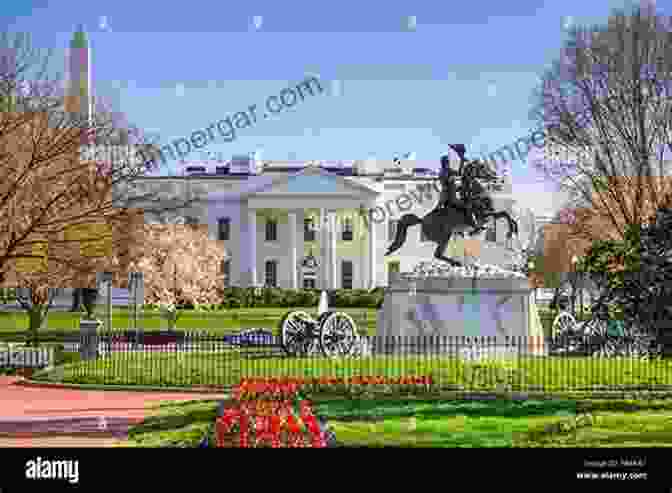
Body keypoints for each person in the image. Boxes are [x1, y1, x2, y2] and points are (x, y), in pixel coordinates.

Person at [437, 149, 478, 229]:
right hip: (448, 195)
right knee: (467, 206)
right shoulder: (442, 172)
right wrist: (451, 178)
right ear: (444, 163)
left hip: (453, 193)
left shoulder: (449, 170)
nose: (448, 164)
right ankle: (473, 224)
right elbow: (447, 182)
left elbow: (459, 173)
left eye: (448, 162)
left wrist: (463, 162)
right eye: (447, 162)